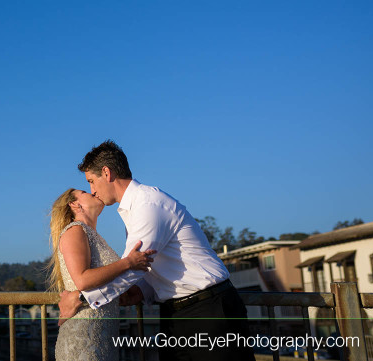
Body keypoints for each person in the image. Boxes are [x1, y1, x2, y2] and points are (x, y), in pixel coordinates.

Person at [58, 140, 256, 361]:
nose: (93, 191)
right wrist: (142, 290)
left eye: (91, 181)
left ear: (107, 172)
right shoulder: (133, 210)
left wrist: (80, 299)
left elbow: (133, 267)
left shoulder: (148, 205)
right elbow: (148, 264)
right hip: (177, 314)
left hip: (209, 311)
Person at [49, 187, 155, 361]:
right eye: (84, 191)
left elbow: (105, 278)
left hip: (104, 336)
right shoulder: (75, 230)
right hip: (84, 336)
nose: (93, 191)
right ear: (75, 204)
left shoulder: (93, 234)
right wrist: (128, 262)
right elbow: (82, 280)